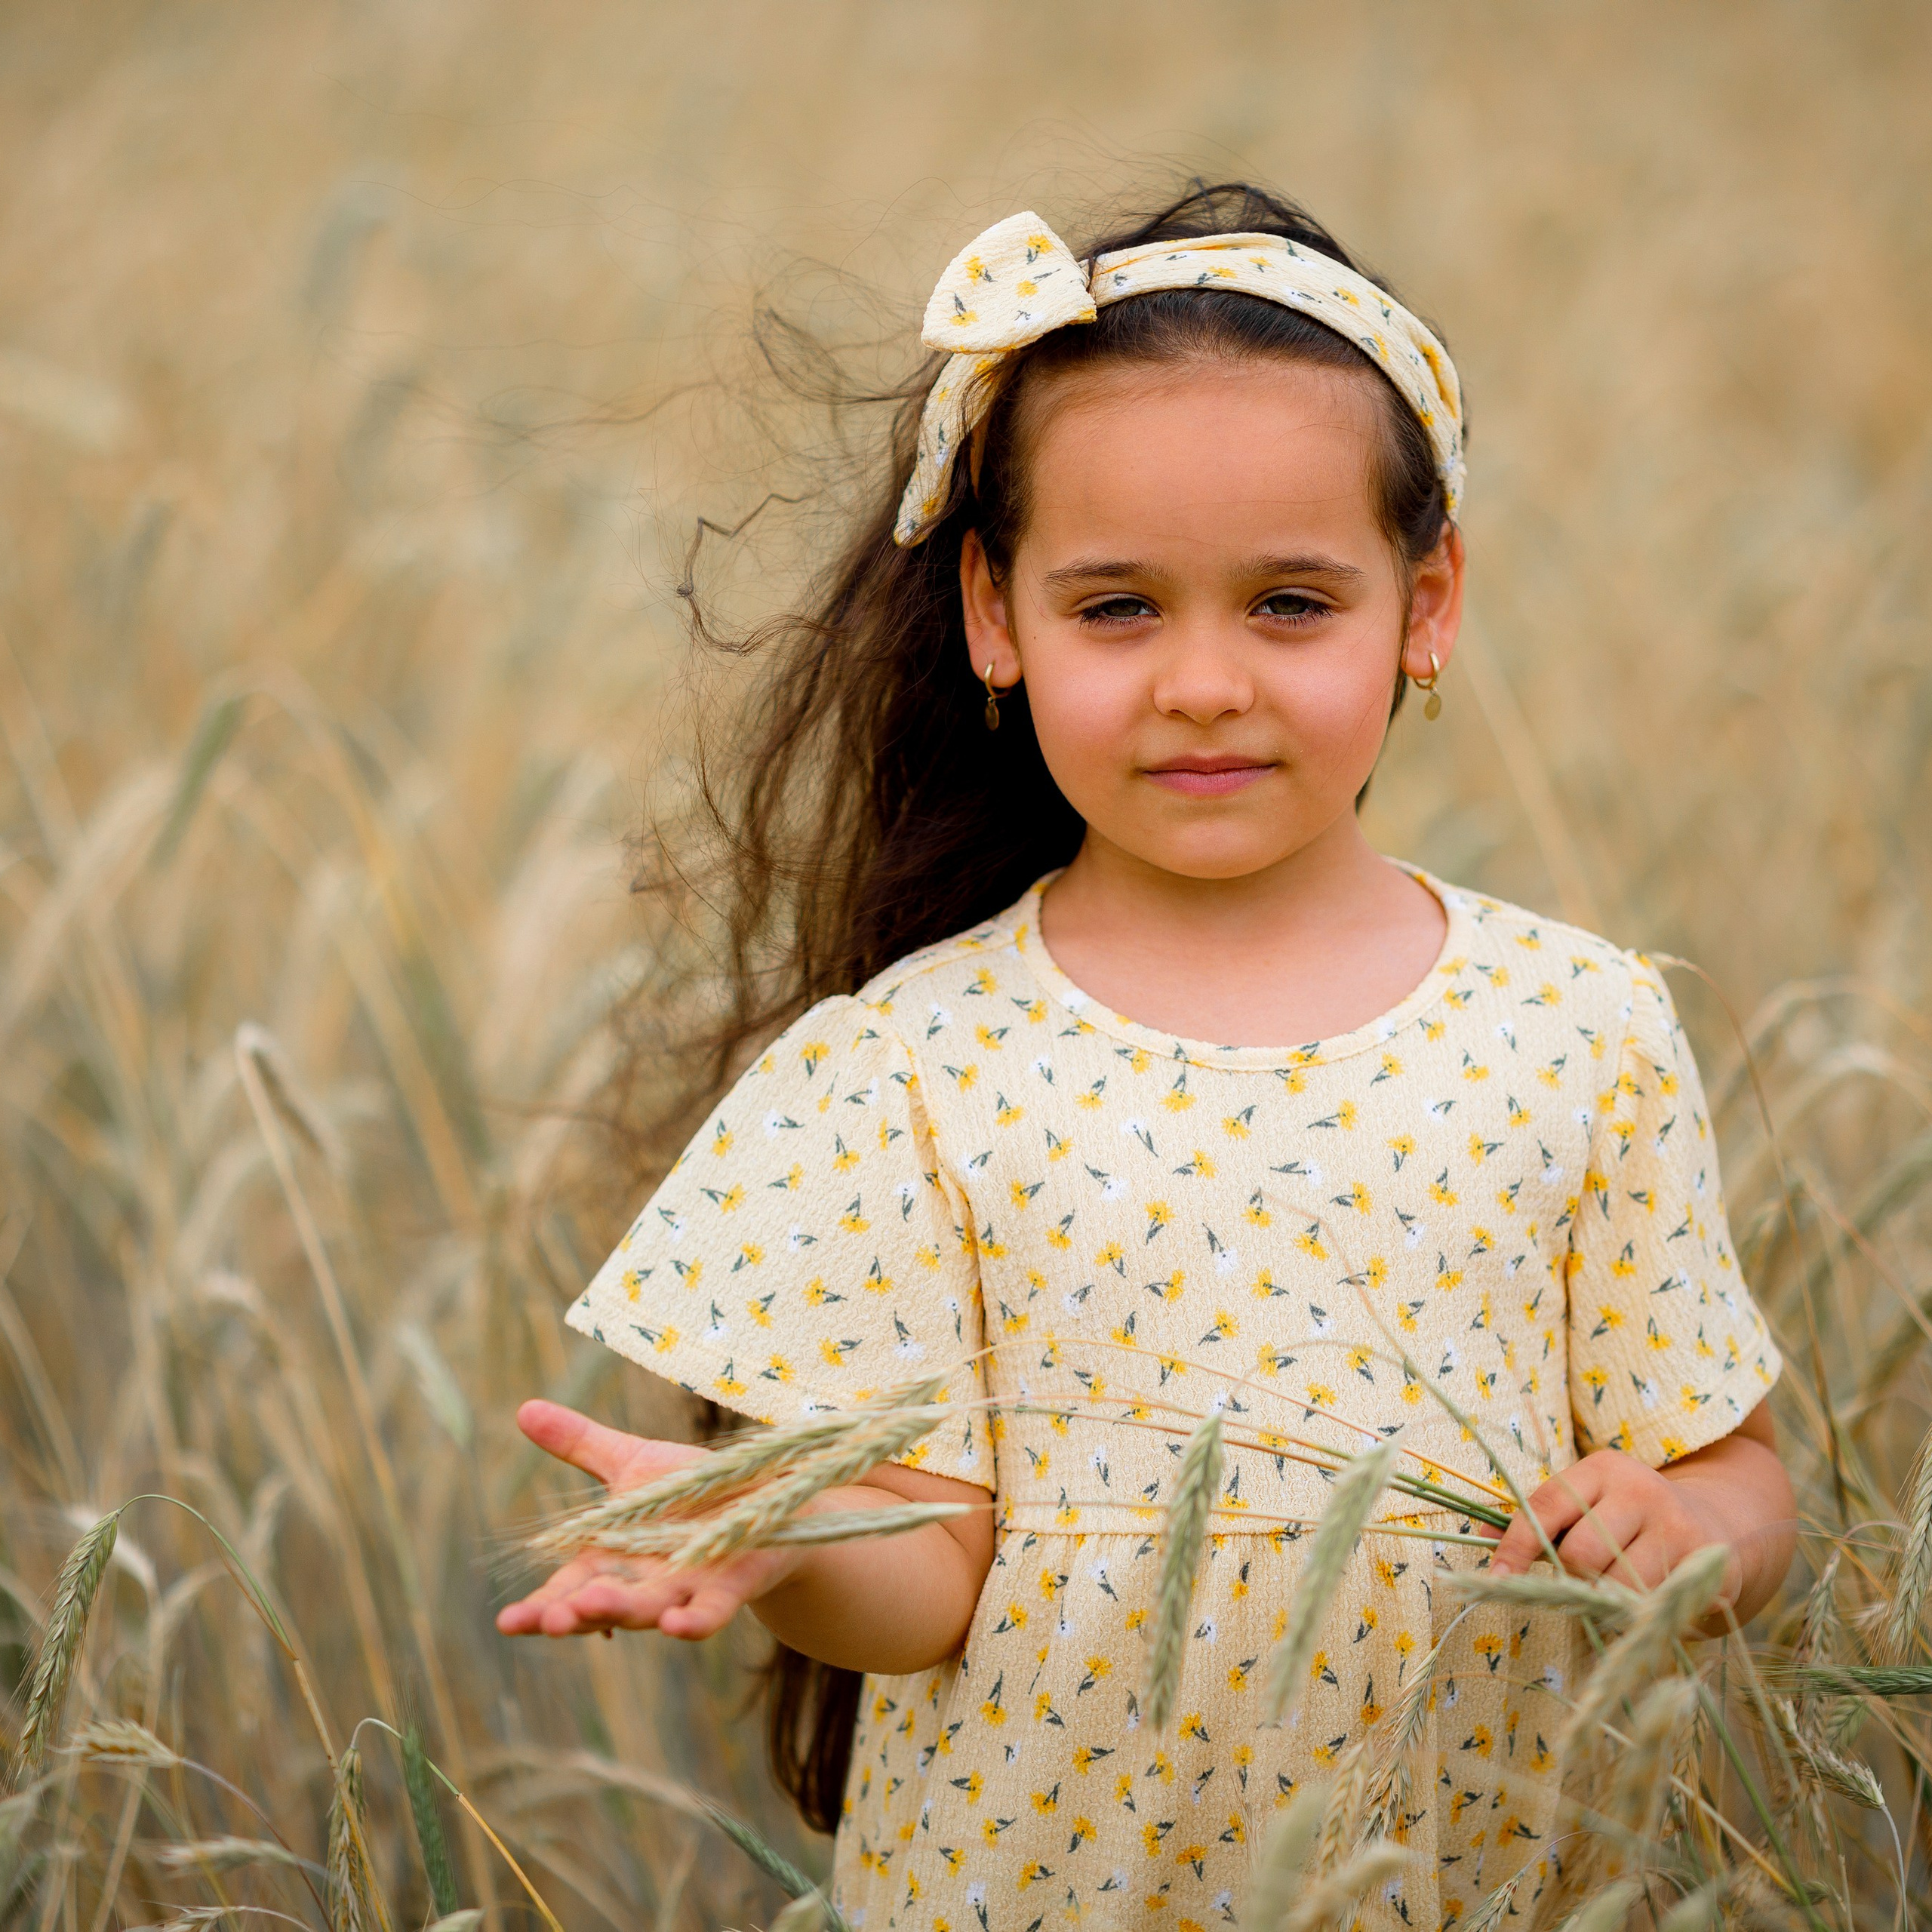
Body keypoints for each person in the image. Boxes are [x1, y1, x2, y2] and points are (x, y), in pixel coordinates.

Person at [496, 182, 1795, 1930]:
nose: (1201, 681)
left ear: (1424, 608)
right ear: (991, 614)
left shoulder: (1574, 1029)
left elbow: (1734, 1469)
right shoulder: (907, 1066)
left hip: (1489, 1874)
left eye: (1286, 604)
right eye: (1116, 607)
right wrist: (781, 1531)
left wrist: (1683, 1534)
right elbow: (932, 1580)